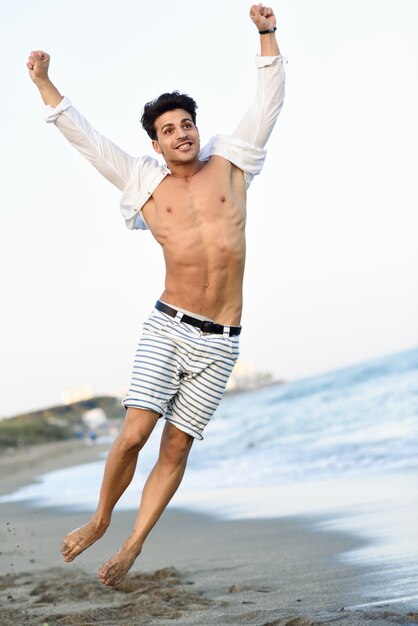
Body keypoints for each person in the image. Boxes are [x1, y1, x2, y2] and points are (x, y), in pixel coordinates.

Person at [27, 3, 286, 586]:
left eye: (186, 124)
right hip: (169, 326)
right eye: (168, 130)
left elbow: (268, 104)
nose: (182, 134)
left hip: (222, 341)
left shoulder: (233, 162)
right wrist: (47, 85)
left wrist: (267, 37)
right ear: (156, 142)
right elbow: (86, 141)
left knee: (176, 450)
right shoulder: (144, 181)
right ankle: (99, 519)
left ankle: (133, 543)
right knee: (134, 434)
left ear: (197, 126)